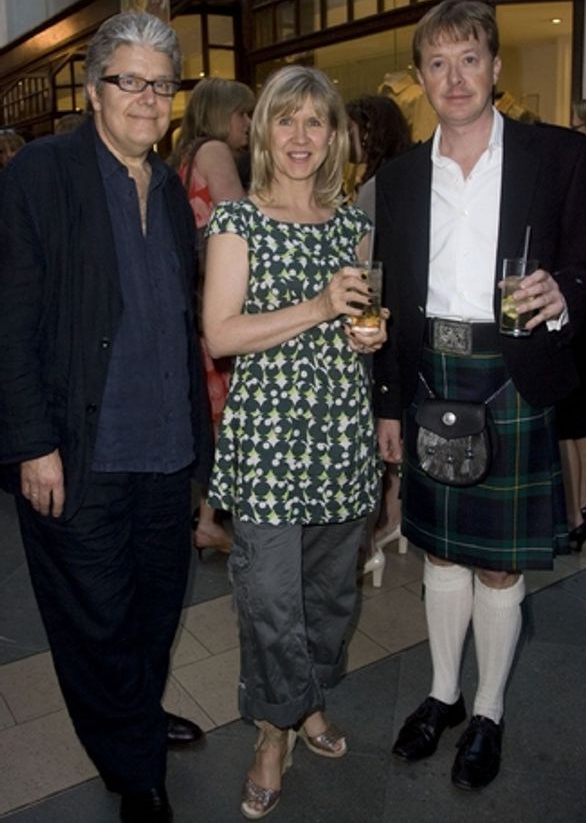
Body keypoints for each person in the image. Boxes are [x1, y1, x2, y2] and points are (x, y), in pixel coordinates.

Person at [374, 0, 586, 792]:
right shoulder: (400, 176)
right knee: (439, 552)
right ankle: (443, 693)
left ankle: (490, 710)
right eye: (437, 64)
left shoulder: (559, 154)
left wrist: (564, 291)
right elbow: (390, 296)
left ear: (496, 67)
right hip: (430, 373)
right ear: (421, 77)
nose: (455, 77)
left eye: (469, 59)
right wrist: (388, 404)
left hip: (513, 374)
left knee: (500, 568)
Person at [0, 11, 213, 823]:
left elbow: (181, 324)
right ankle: (134, 769)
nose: (148, 98)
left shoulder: (170, 188)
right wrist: (32, 443)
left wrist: (201, 451)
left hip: (164, 450)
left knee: (155, 609)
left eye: (162, 84)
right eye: (130, 80)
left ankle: (136, 716)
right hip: (78, 450)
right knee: (95, 620)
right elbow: (10, 320)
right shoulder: (42, 173)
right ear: (94, 90)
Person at [202, 65, 387, 820]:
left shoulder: (351, 226)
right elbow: (220, 333)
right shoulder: (237, 222)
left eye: (316, 121)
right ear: (264, 133)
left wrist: (368, 336)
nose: (301, 136)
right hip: (269, 447)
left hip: (341, 439)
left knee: (331, 599)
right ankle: (272, 733)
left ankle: (305, 698)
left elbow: (358, 324)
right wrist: (317, 306)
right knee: (271, 603)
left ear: (335, 134)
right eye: (286, 119)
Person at [169, 77, 255, 556]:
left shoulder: (184, 156)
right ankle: (210, 520)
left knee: (212, 416)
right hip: (223, 302)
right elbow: (241, 220)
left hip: (198, 303)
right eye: (243, 114)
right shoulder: (216, 151)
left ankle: (208, 517)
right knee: (226, 418)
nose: (249, 123)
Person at [346, 95, 412, 585]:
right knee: (388, 434)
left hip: (375, 320)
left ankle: (376, 536)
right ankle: (394, 519)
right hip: (396, 320)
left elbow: (365, 265)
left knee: (378, 433)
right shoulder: (403, 177)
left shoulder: (376, 186)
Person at [555, 92, 586, 549]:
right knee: (584, 408)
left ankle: (581, 502)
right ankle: (583, 501)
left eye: (581, 126)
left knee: (579, 410)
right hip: (583, 305)